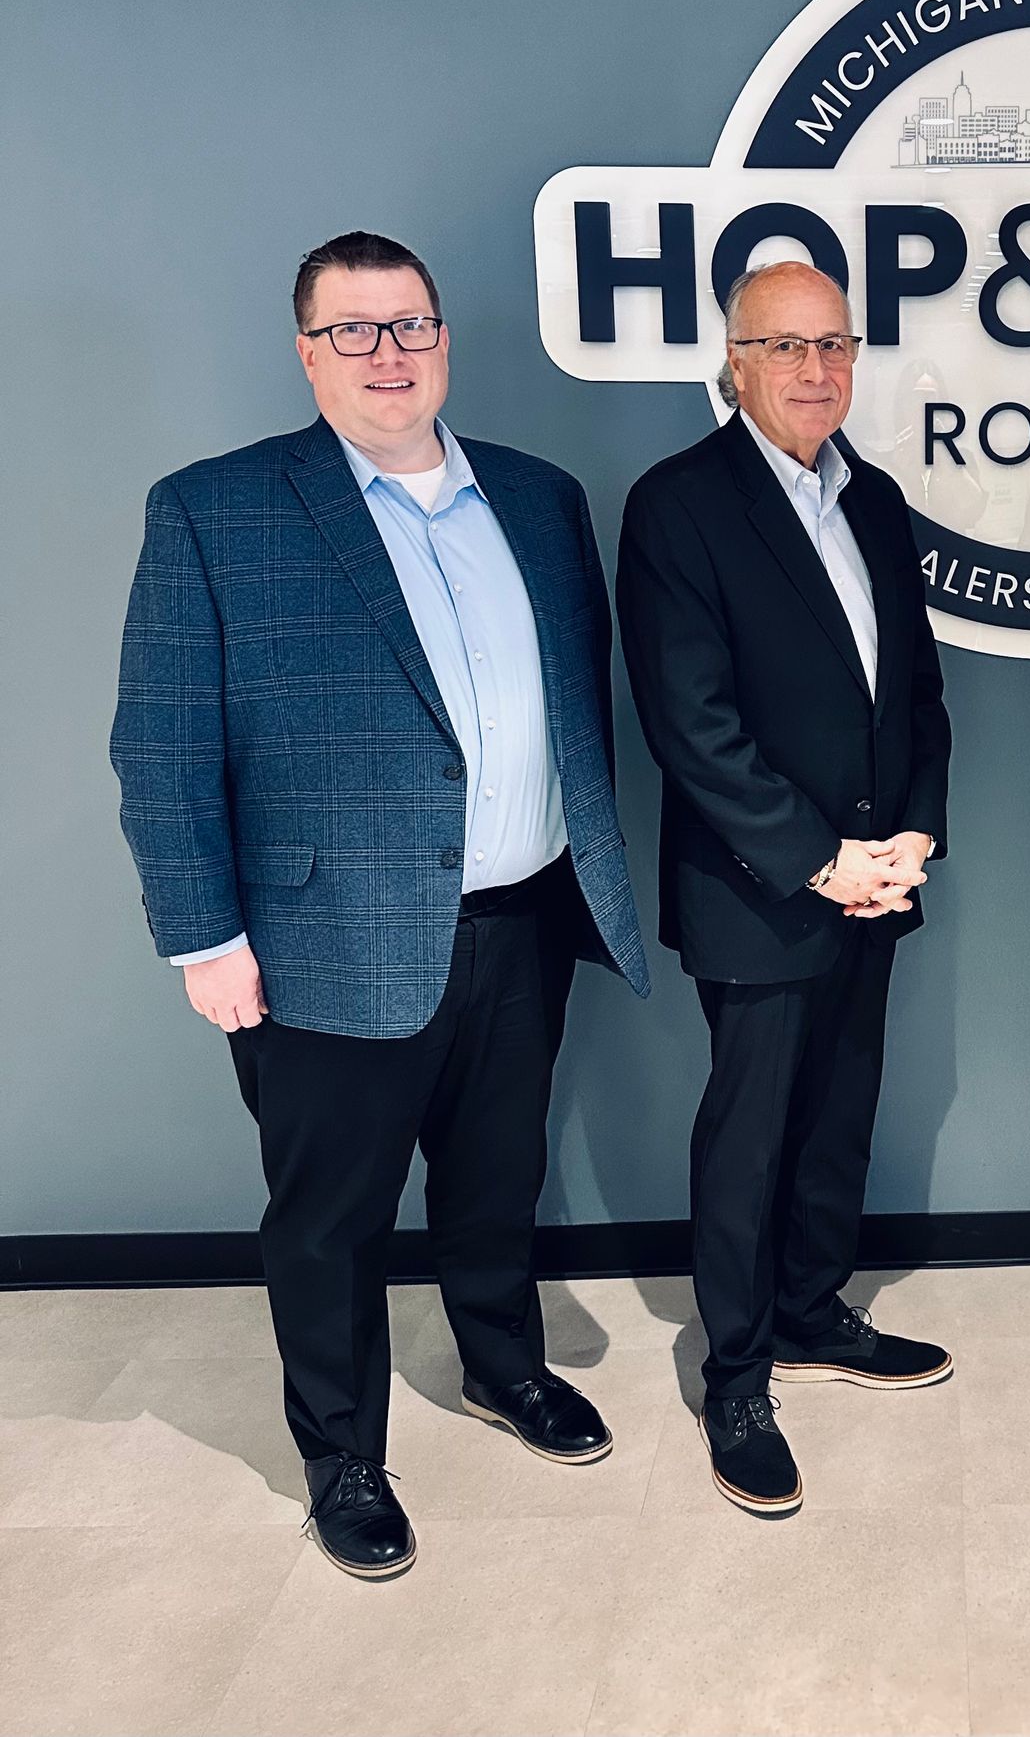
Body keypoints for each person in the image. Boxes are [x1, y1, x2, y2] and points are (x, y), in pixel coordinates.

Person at [111, 232, 649, 1578]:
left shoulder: (539, 498)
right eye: (351, 330)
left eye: (408, 324)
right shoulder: (215, 511)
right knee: (330, 1219)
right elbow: (161, 746)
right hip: (321, 942)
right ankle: (343, 1455)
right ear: (307, 353)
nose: (386, 353)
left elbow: (574, 697)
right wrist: (204, 937)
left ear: (443, 339)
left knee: (497, 1173)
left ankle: (502, 1367)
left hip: (525, 913)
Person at [617, 260, 953, 1517]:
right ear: (736, 364)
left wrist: (914, 836)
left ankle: (812, 1313)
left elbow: (917, 698)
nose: (817, 370)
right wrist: (821, 860)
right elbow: (691, 725)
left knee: (839, 1114)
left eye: (835, 345)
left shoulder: (876, 500)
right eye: (786, 347)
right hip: (759, 889)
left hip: (877, 879)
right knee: (749, 1140)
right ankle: (737, 1375)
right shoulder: (678, 505)